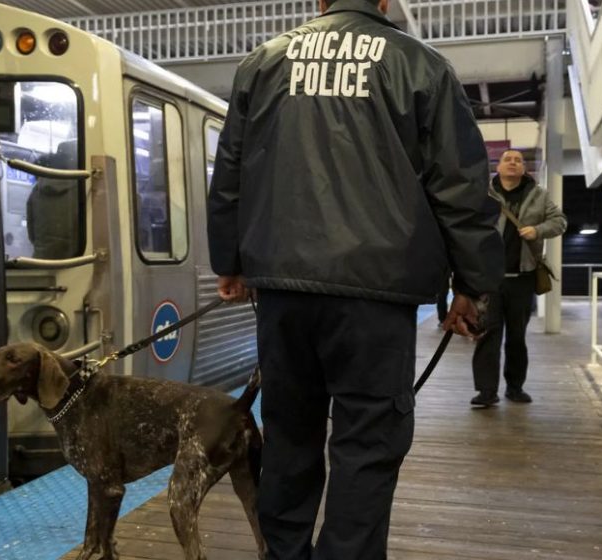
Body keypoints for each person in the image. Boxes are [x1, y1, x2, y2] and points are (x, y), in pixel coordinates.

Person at [206, 0, 504, 558]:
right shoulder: (421, 65)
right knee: (367, 444)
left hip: (283, 289)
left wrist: (231, 260)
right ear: (384, 0)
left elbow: (231, 170)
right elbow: (461, 187)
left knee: (290, 436)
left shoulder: (262, 62)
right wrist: (473, 282)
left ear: (319, 1)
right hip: (378, 290)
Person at [470, 150, 567, 408]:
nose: (513, 162)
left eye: (518, 160)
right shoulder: (483, 194)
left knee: (516, 337)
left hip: (522, 278)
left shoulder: (539, 195)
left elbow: (560, 222)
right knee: (487, 335)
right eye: (507, 159)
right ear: (497, 167)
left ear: (524, 168)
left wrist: (538, 230)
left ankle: (515, 387)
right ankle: (486, 391)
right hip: (489, 278)